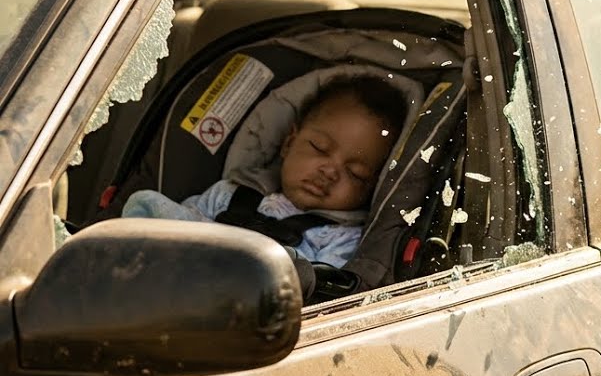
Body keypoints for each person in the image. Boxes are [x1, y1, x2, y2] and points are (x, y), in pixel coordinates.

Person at [123, 73, 408, 271]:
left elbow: (318, 288)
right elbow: (179, 231)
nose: (330, 170)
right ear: (288, 142)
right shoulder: (228, 193)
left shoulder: (342, 239)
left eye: (356, 173)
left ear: (372, 187)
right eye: (320, 148)